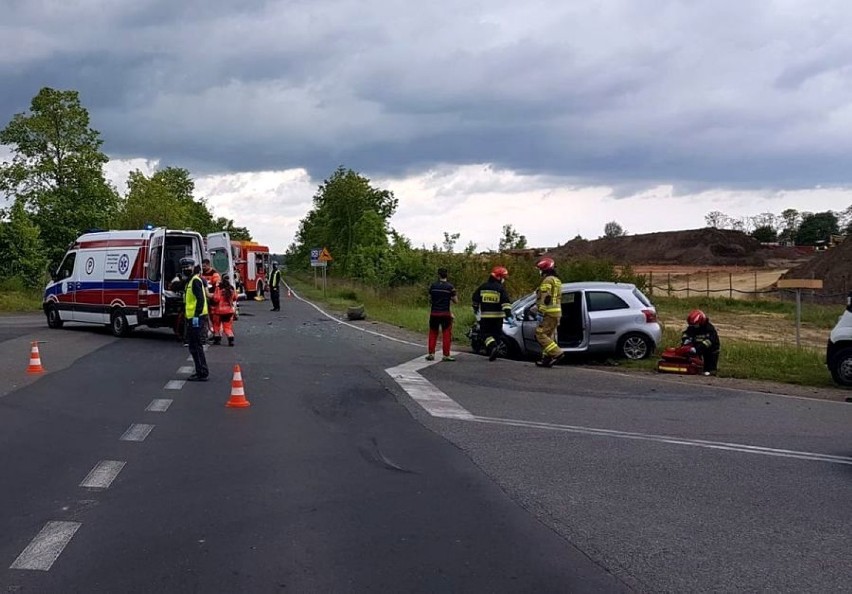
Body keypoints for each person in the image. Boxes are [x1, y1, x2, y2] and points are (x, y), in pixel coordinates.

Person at [472, 266, 513, 361]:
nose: (503, 280)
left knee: (485, 334)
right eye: (503, 277)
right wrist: (508, 315)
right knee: (497, 335)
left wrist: (475, 309)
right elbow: (506, 303)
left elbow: (475, 298)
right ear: (498, 277)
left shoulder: (483, 287)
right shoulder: (500, 289)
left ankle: (492, 347)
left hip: (486, 316)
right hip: (498, 317)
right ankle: (494, 349)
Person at [181, 257, 210, 381]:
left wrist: (196, 316)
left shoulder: (195, 281)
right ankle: (200, 371)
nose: (186, 269)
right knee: (193, 346)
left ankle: (202, 372)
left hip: (196, 318)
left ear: (193, 267)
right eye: (184, 267)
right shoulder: (189, 281)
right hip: (192, 317)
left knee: (196, 346)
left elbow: (201, 300)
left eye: (188, 266)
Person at [533, 257, 564, 368]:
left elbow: (546, 297)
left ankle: (557, 353)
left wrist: (541, 311)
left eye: (540, 269)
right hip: (557, 312)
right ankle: (546, 359)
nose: (539, 272)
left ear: (544, 269)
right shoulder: (557, 280)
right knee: (548, 336)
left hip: (549, 312)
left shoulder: (547, 280)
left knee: (540, 334)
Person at [426, 267, 458, 362]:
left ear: (438, 275)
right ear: (447, 275)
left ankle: (431, 354)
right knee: (446, 334)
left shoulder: (433, 286)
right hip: (445, 313)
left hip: (434, 313)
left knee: (433, 333)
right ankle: (446, 355)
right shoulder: (450, 287)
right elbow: (456, 301)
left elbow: (430, 299)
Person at [681, 309, 721, 375]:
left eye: (695, 325)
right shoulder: (693, 327)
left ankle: (711, 371)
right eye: (692, 325)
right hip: (696, 349)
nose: (694, 327)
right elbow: (686, 333)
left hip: (710, 350)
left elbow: (708, 342)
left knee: (709, 370)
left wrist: (697, 349)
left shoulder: (709, 329)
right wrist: (686, 339)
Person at [211, 274, 237, 346]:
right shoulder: (231, 288)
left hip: (218, 311)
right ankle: (231, 339)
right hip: (229, 311)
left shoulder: (219, 288)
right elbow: (235, 298)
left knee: (216, 326)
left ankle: (217, 340)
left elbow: (216, 299)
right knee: (227, 327)